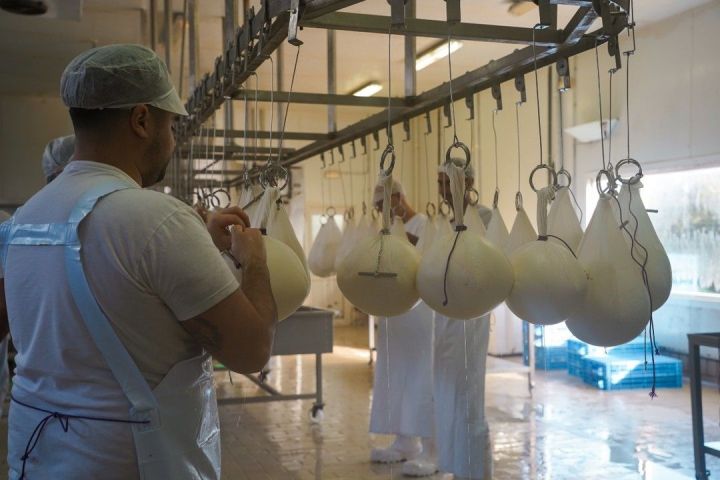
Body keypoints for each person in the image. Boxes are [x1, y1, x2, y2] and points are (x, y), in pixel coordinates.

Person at [0, 44, 277, 480]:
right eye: (170, 126)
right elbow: (252, 351)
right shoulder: (159, 219)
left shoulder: (23, 220)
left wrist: (194, 245)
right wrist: (255, 260)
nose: (171, 140)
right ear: (142, 120)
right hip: (131, 462)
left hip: (37, 457)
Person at [369, 178, 438, 477]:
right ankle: (404, 441)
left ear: (398, 198)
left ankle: (432, 449)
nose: (380, 212)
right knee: (394, 375)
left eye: (382, 206)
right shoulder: (389, 227)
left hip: (419, 317)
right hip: (394, 315)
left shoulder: (426, 224)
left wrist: (403, 243)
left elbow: (428, 259)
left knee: (423, 378)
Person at [434, 159, 493, 480]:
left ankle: (476, 471)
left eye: (448, 183)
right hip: (444, 315)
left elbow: (490, 264)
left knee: (468, 391)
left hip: (471, 315)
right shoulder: (443, 220)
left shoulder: (484, 217)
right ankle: (456, 465)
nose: (443, 191)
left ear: (468, 182)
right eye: (440, 184)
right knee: (447, 390)